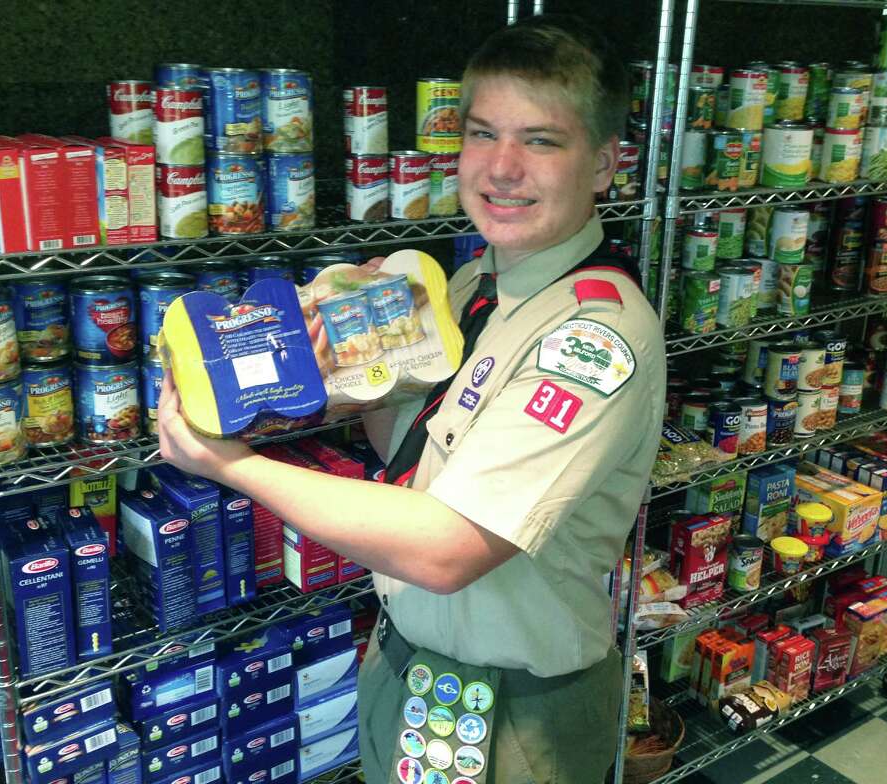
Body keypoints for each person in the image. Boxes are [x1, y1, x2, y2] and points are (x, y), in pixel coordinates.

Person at [157, 13, 666, 784]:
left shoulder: (594, 337)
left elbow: (448, 546)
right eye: (481, 133)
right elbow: (418, 450)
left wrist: (232, 465)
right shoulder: (475, 284)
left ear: (603, 164)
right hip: (408, 669)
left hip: (520, 722)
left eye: (541, 140)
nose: (500, 168)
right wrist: (340, 377)